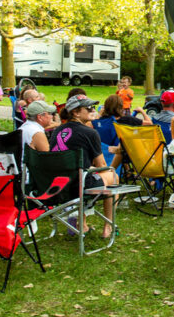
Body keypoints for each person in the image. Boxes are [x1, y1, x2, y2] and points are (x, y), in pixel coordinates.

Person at [44, 95, 120, 239]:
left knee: (85, 173)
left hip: (57, 185)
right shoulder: (90, 133)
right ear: (76, 112)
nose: (92, 110)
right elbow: (102, 166)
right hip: (78, 186)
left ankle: (82, 224)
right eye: (89, 108)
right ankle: (107, 226)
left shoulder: (56, 131)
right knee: (112, 176)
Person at [100, 94, 151, 169]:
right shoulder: (127, 120)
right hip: (125, 154)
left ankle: (126, 169)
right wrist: (142, 111)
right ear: (120, 107)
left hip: (104, 153)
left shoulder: (100, 122)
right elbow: (150, 124)